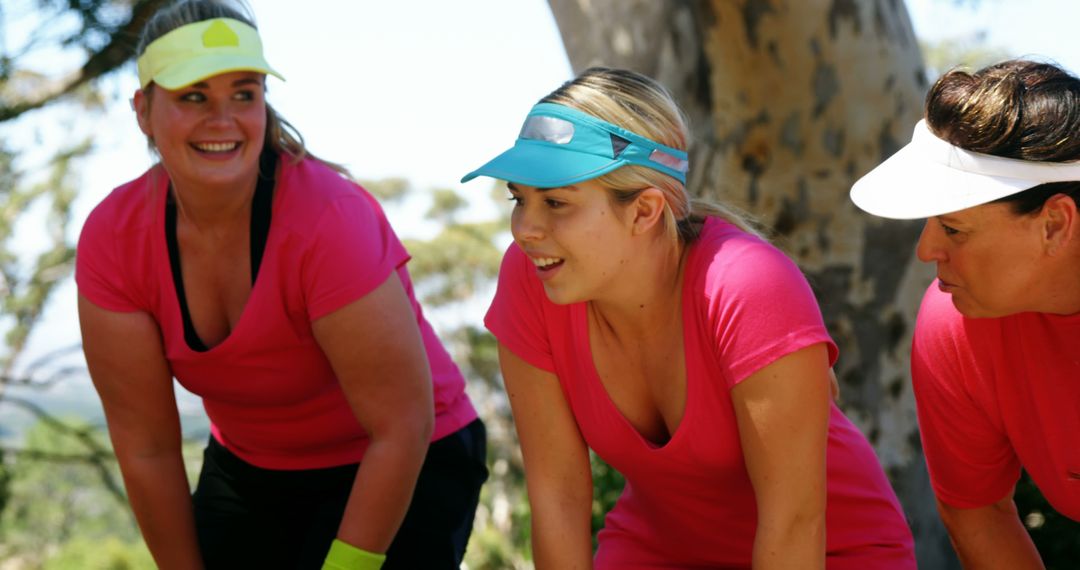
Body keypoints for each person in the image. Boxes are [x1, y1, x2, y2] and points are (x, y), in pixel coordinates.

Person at [75, 1, 486, 568]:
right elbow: (147, 449)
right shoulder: (114, 239)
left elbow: (402, 424)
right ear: (143, 110)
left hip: (407, 455)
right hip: (253, 469)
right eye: (193, 95)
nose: (223, 118)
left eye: (244, 94)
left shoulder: (326, 218)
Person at [461, 67, 915, 569]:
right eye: (518, 199)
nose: (525, 228)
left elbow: (793, 524)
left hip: (827, 553)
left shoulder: (748, 285)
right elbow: (557, 497)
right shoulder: (531, 279)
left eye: (555, 202)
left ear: (644, 210)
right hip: (659, 551)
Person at [850, 59, 1080, 568]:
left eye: (954, 229)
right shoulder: (954, 324)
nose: (926, 249)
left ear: (1055, 225)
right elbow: (977, 514)